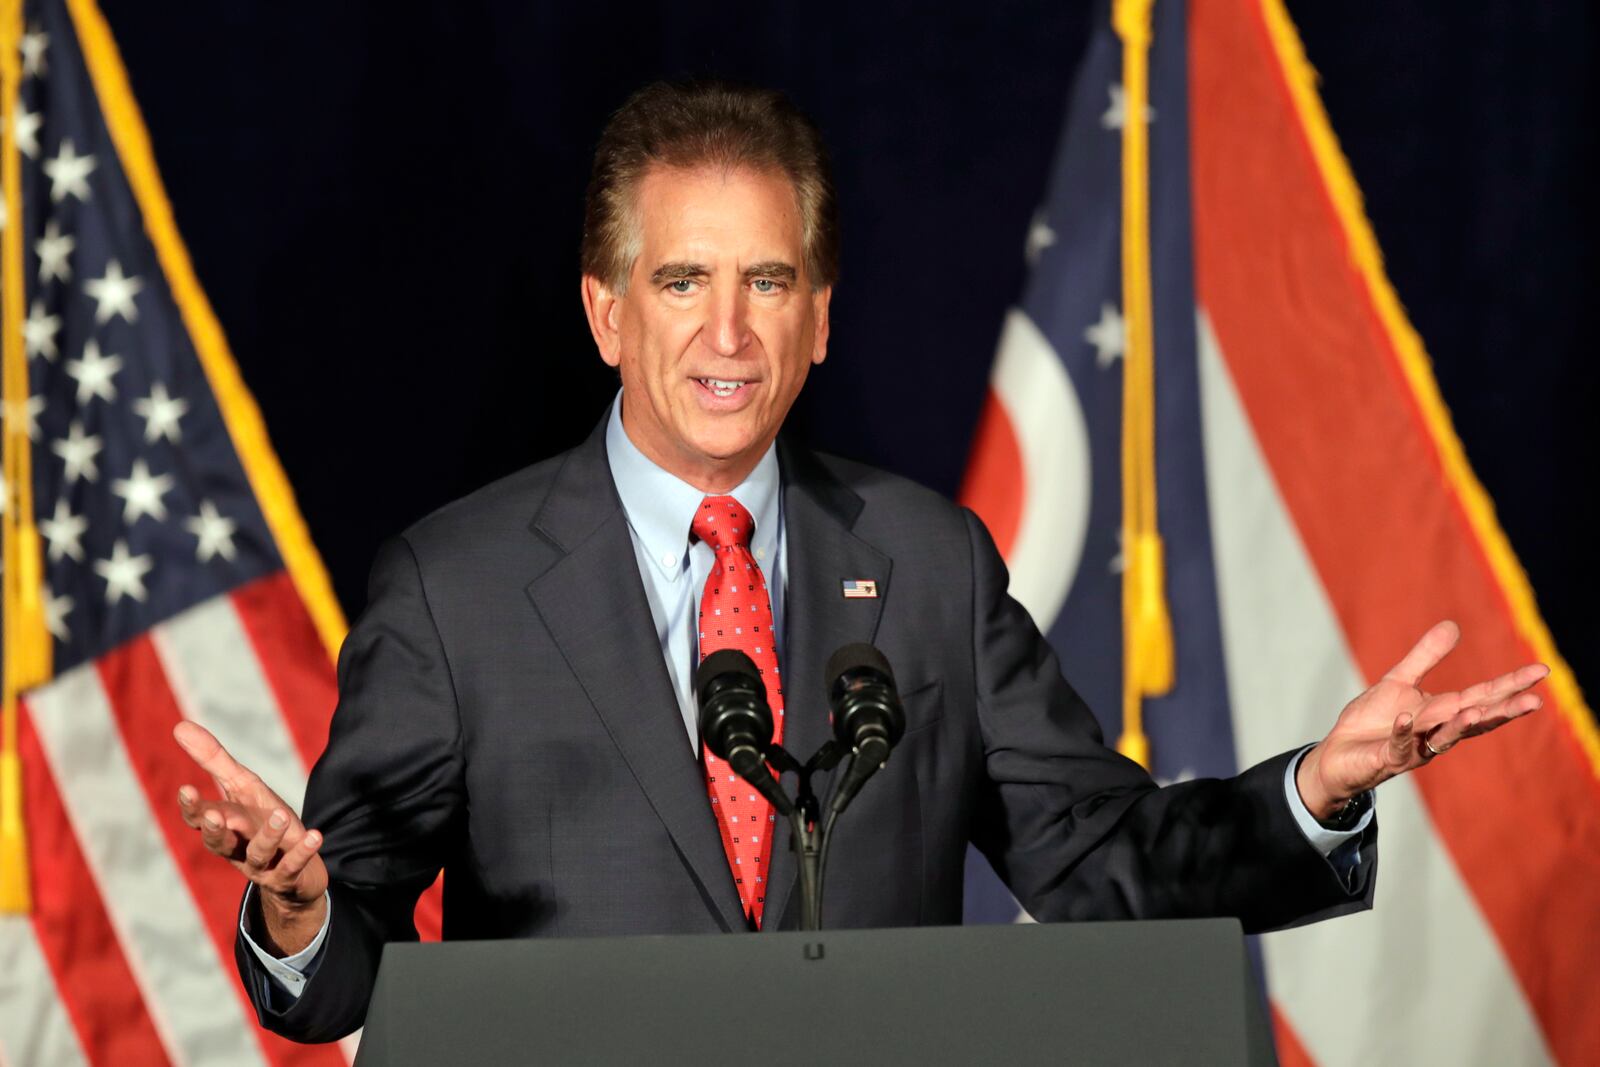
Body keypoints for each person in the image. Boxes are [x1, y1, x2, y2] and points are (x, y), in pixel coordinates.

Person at [172, 82, 1547, 1043]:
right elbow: (339, 957)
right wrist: (296, 912)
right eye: (680, 282)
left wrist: (1315, 790)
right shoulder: (452, 587)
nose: (728, 332)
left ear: (819, 319)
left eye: (767, 282)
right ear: (605, 314)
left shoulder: (929, 564)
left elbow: (1104, 862)